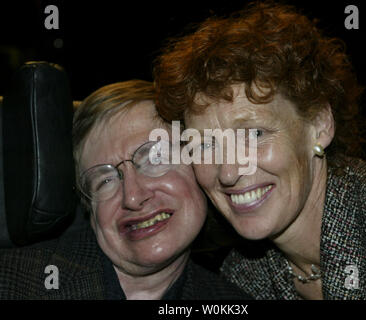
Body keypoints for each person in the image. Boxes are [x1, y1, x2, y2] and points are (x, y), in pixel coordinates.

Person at [153, 2, 366, 299]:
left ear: (320, 125)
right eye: (206, 145)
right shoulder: (242, 278)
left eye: (254, 134)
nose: (230, 172)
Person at [0, 80, 251, 300]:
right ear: (88, 207)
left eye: (155, 158)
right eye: (105, 179)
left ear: (198, 166)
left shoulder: (230, 299)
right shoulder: (13, 284)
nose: (132, 196)